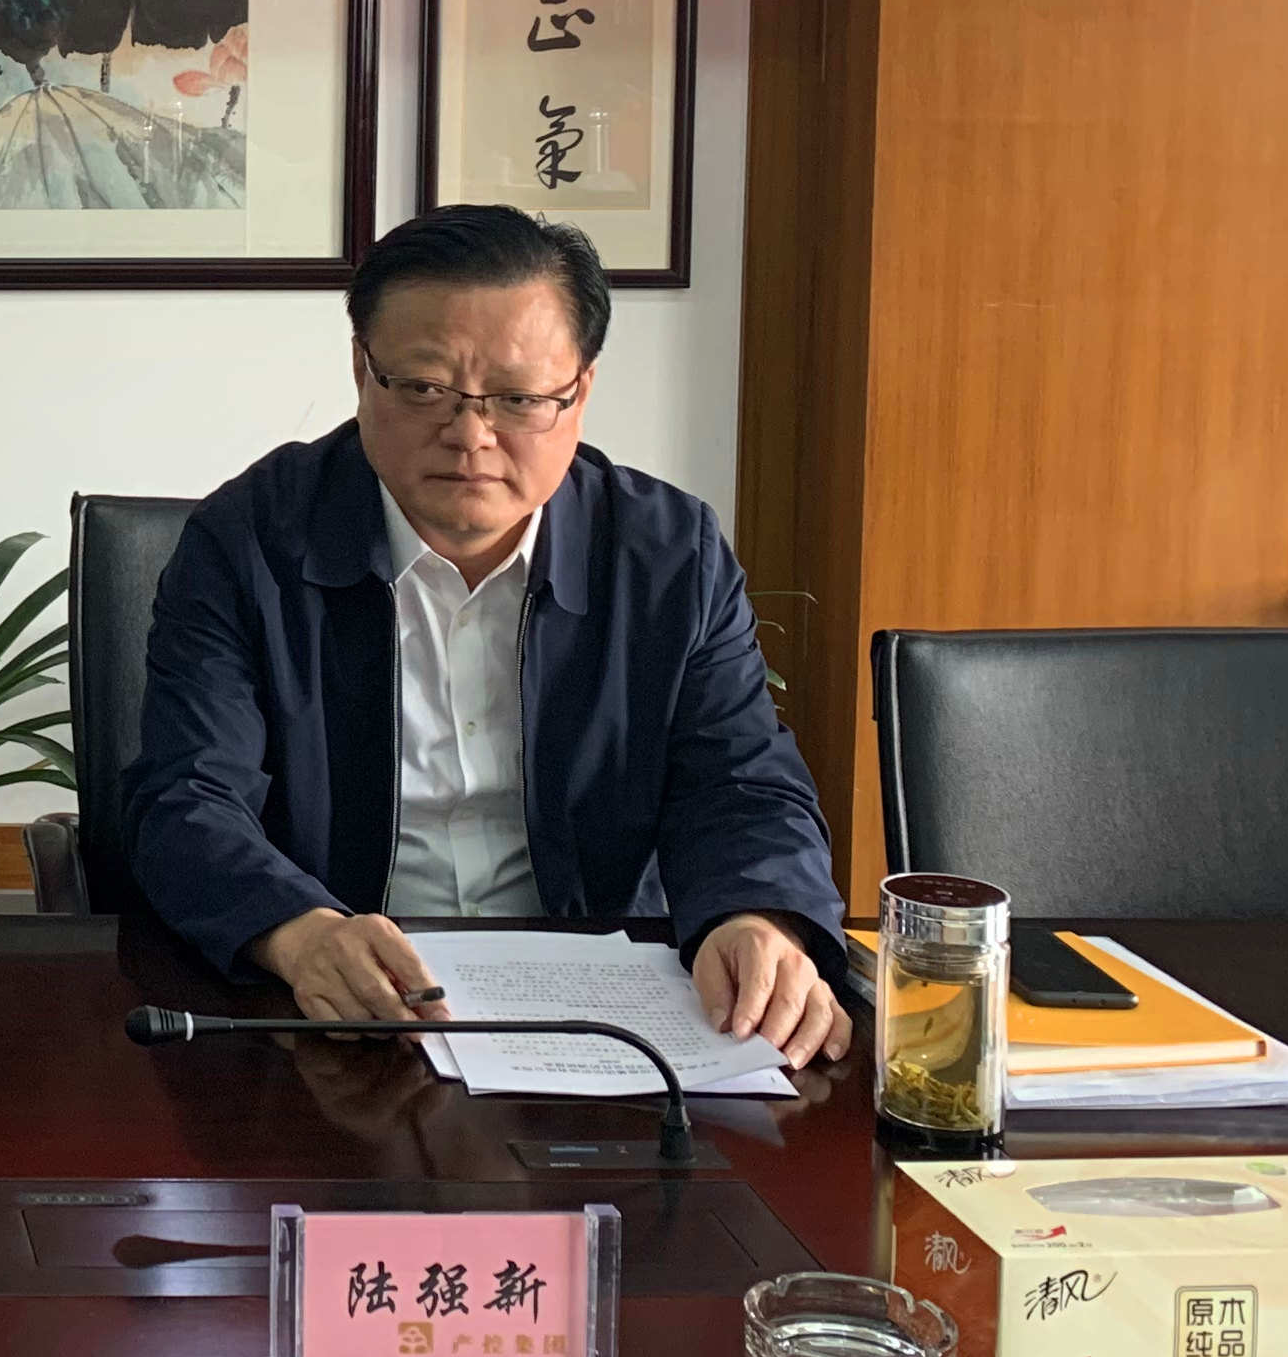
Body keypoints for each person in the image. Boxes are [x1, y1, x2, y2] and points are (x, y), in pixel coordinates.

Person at [124, 203, 853, 1067]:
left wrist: (756, 917)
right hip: (338, 1011)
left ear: (580, 391)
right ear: (362, 370)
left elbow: (741, 782)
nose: (470, 436)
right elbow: (188, 794)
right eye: (424, 389)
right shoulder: (248, 542)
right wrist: (299, 931)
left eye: (518, 399)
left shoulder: (666, 555)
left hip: (600, 1013)